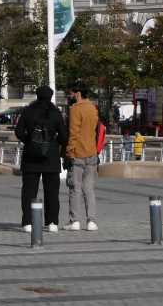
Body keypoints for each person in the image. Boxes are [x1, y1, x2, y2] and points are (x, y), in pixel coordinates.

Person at [13, 85, 67, 233]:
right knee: (52, 192)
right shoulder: (56, 113)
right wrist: (54, 144)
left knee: (29, 191)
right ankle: (52, 222)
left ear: (37, 96)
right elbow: (64, 137)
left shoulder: (28, 111)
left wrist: (30, 142)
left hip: (31, 158)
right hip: (51, 158)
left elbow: (18, 131)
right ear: (50, 97)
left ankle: (28, 222)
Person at [64, 83, 101, 231]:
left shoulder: (75, 109)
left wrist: (69, 152)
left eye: (71, 93)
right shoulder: (93, 108)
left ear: (77, 93)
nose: (70, 95)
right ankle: (91, 220)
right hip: (92, 152)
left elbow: (74, 133)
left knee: (75, 188)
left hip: (78, 153)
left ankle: (75, 221)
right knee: (89, 188)